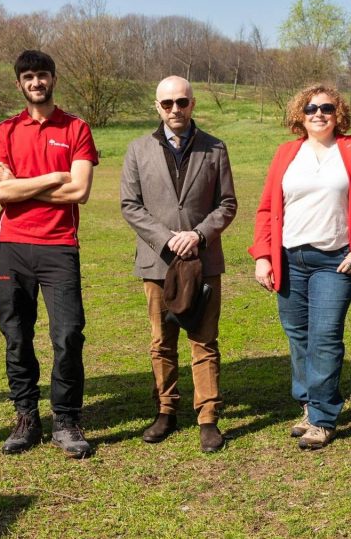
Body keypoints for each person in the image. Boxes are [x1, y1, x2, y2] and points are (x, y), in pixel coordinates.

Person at [249, 85, 351, 450]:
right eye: (311, 108)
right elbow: (266, 209)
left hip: (335, 260)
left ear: (338, 113)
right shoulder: (285, 154)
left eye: (326, 108)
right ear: (300, 114)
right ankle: (309, 404)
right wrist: (263, 255)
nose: (319, 114)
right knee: (297, 335)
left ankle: (323, 418)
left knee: (324, 335)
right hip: (290, 259)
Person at [0, 50, 99, 458]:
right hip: (12, 246)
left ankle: (67, 420)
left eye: (43, 76)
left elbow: (79, 191)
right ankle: (26, 417)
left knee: (67, 334)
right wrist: (54, 176)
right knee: (16, 335)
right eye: (29, 77)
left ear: (54, 79)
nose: (37, 83)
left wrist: (24, 183)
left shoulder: (76, 128)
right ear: (19, 83)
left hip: (59, 246)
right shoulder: (5, 131)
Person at [120, 75, 237, 453]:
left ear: (193, 104)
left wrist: (199, 234)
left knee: (203, 340)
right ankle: (166, 410)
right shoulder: (137, 150)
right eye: (167, 103)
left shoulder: (215, 148)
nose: (175, 109)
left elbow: (227, 204)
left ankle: (207, 417)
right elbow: (130, 205)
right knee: (161, 340)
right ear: (157, 106)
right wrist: (167, 238)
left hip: (203, 259)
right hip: (158, 261)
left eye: (182, 102)